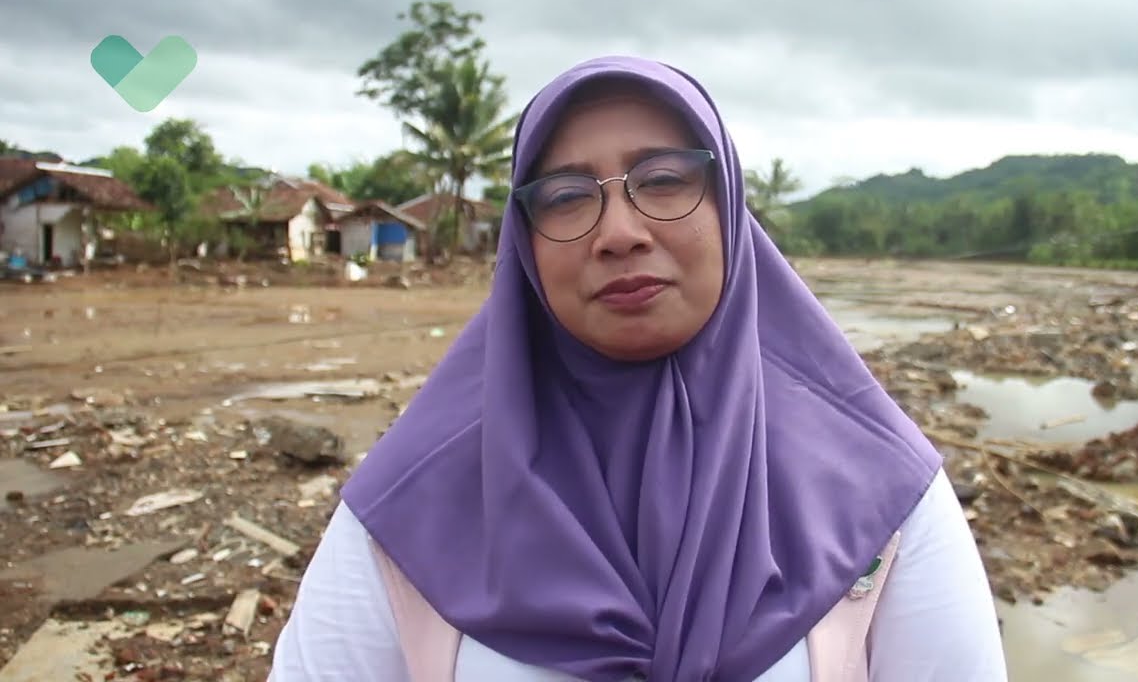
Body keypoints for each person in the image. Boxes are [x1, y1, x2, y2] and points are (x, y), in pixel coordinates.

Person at [268, 55, 1008, 681]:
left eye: (662, 180)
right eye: (564, 197)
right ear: (524, 246)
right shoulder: (411, 507)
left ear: (728, 208)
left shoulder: (879, 494)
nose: (620, 233)